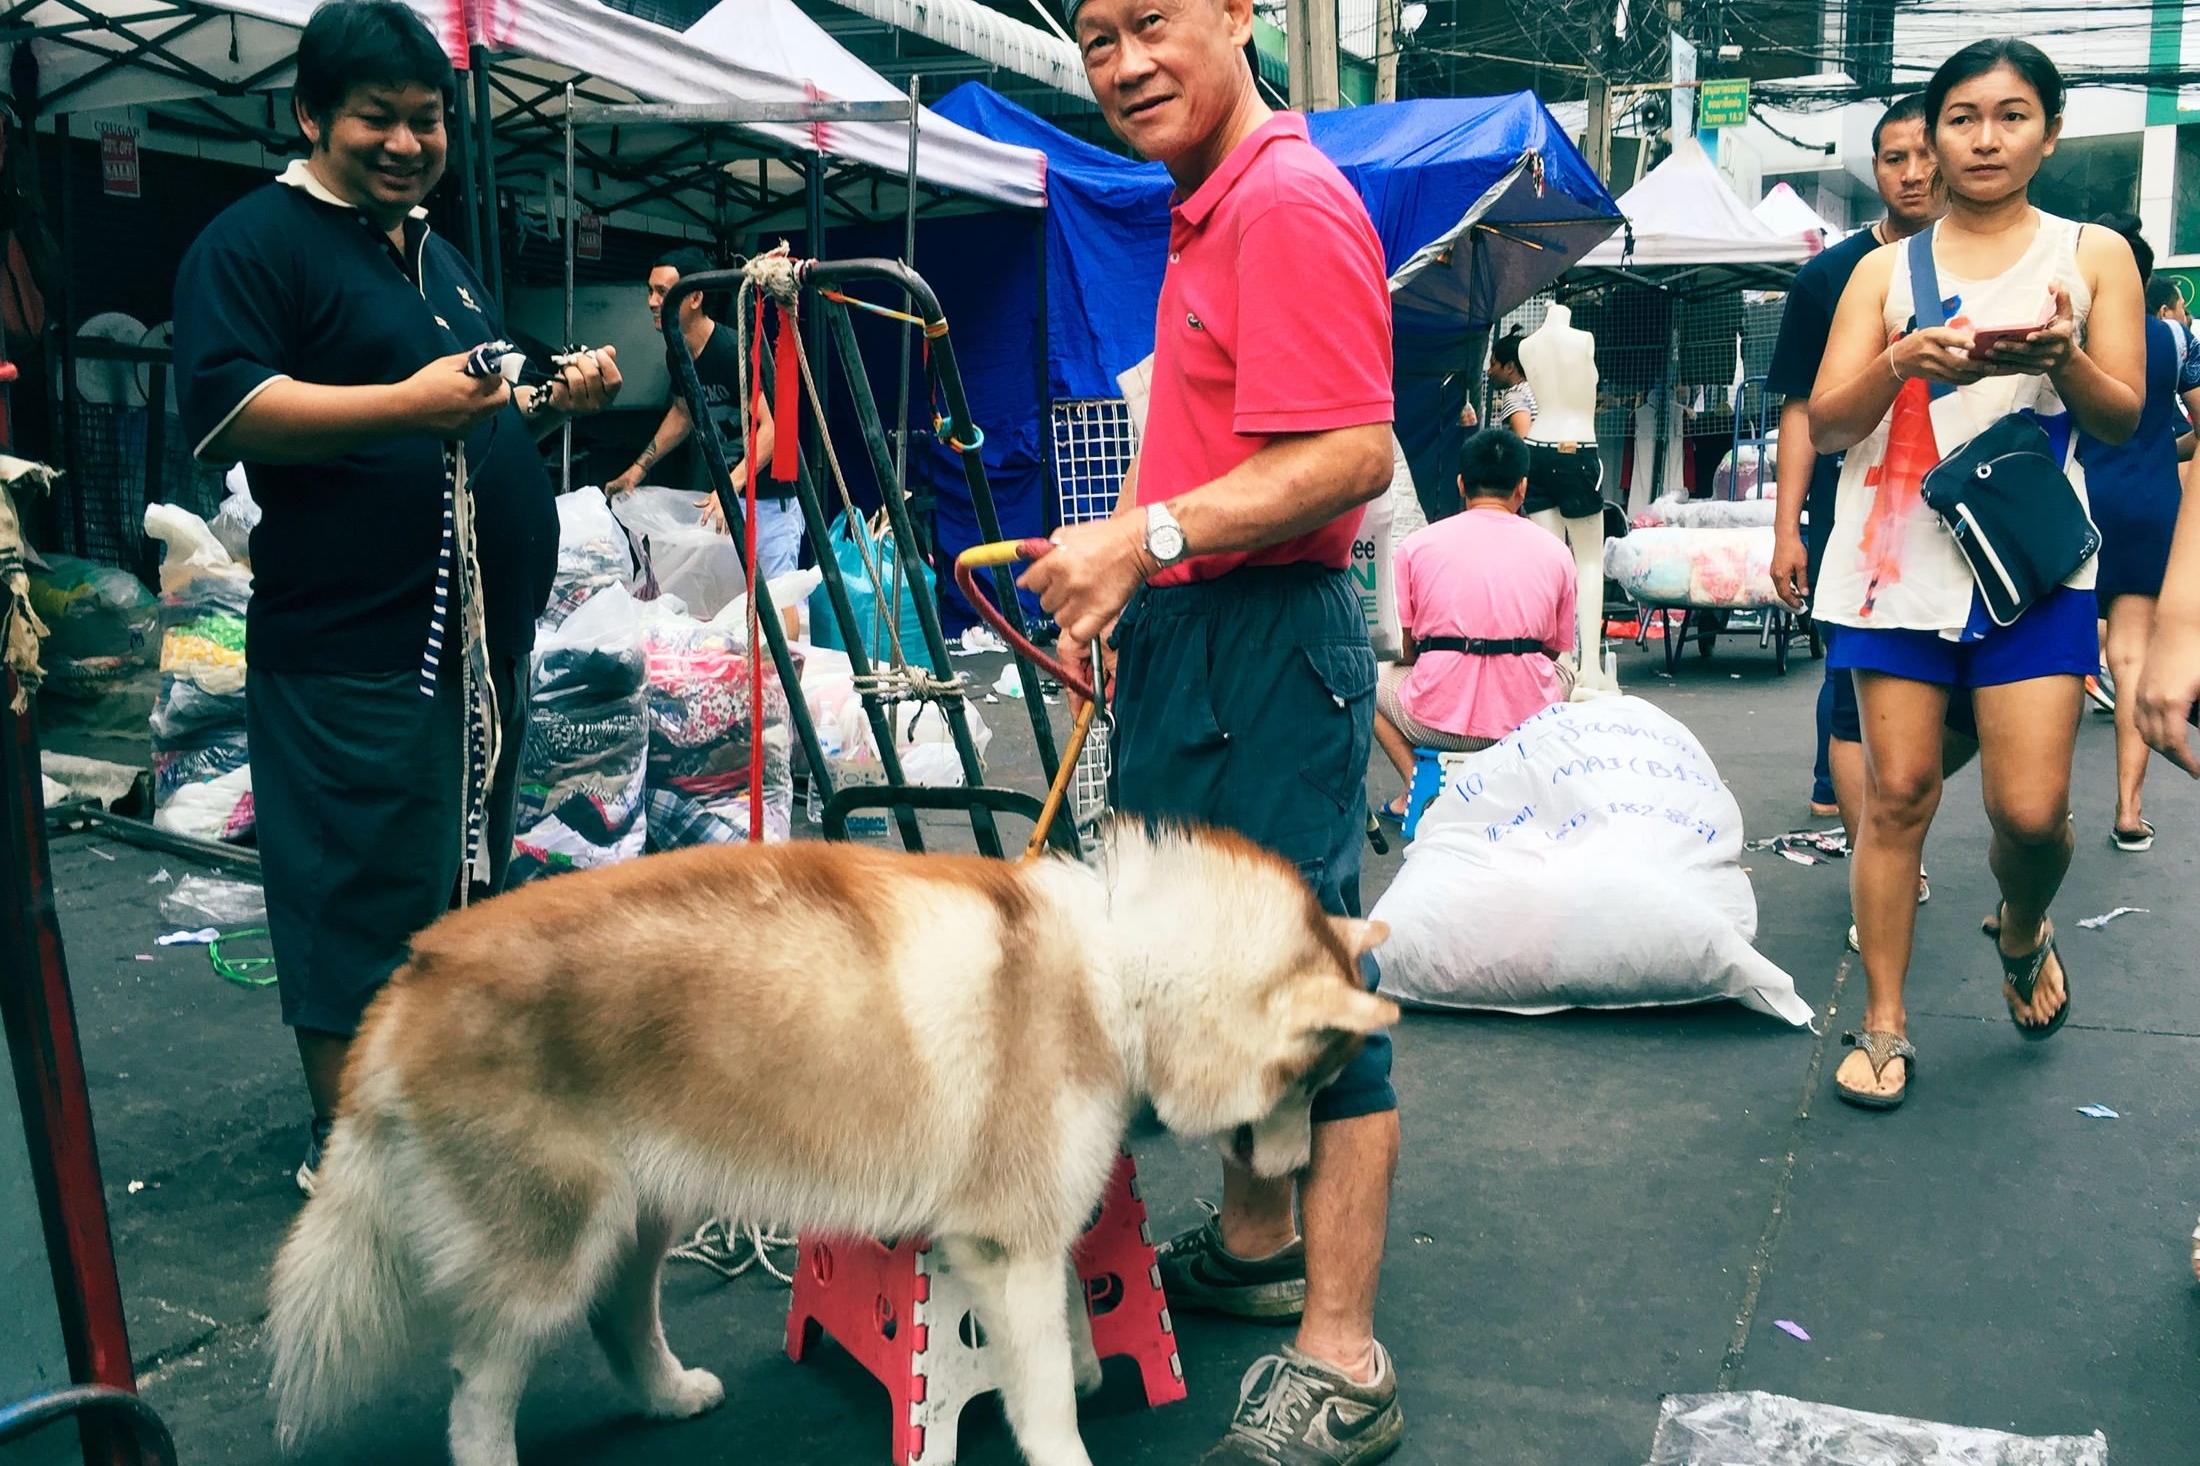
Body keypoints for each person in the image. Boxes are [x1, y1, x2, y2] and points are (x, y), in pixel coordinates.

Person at [1033, 0, 1402, 1458]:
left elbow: (1353, 451)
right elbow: (1235, 440)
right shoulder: (1207, 203)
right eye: (1095, 36)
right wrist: (1127, 570)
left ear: (1240, 13)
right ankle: (1255, 1247)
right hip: (1200, 632)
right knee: (1204, 971)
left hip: (1266, 644)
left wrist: (1152, 537)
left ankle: (1344, 1349)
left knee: (1307, 992)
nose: (1124, 64)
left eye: (1154, 22)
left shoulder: (1287, 201)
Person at [172, 0, 622, 1192]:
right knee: (350, 890)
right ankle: (356, 1163)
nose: (408, 142)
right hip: (352, 648)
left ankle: (430, 1115)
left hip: (475, 651)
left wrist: (545, 399)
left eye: (427, 120)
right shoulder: (254, 242)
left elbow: (466, 402)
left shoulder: (427, 251)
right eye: (379, 118)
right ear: (312, 113)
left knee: (451, 882)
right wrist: (403, 405)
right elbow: (229, 411)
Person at [1808, 38, 2144, 1109]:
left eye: (2008, 116)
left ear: (2048, 131)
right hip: (1892, 559)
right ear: (1930, 136)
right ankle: (1883, 1024)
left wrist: (2063, 358)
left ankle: (2025, 923)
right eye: (1961, 117)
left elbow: (2123, 413)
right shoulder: (1880, 272)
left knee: (2032, 813)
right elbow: (1824, 422)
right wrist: (1897, 360)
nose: (1983, 138)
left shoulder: (2090, 254)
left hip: (2034, 568)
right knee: (1895, 794)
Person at [1770, 95, 1939, 831]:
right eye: (1894, 158)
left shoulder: (2008, 264)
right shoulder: (1831, 276)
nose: (1912, 173)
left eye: (1925, 154)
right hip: (1860, 517)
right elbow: (1802, 410)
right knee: (1853, 692)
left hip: (1976, 518)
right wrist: (1786, 532)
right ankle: (1883, 855)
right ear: (1874, 168)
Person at [1372, 429, 1575, 819]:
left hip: (1433, 722)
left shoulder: (1417, 546)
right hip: (1524, 723)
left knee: (1366, 682)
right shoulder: (1556, 552)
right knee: (1562, 673)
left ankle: (1417, 786)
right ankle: (1521, 792)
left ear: (1461, 484)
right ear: (1522, 488)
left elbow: (1405, 646)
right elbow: (1554, 648)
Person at [2077, 220, 2192, 854]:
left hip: (2072, 506)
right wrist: (2155, 448)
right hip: (2149, 506)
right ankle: (2128, 810)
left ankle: (2045, 816)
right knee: (2131, 661)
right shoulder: (2172, 340)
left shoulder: (2060, 333)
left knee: (2062, 661)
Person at [603, 247, 798, 577]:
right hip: (730, 497)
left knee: (779, 599)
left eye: (663, 292)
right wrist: (639, 468)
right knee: (734, 598)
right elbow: (684, 412)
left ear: (694, 297)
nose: (652, 301)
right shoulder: (677, 353)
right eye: (650, 291)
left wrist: (728, 486)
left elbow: (772, 430)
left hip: (769, 502)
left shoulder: (728, 351)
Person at [1486, 330, 1536, 438]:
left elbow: (1522, 442)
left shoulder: (1516, 395)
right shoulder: (1536, 390)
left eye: (1493, 365)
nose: (1489, 371)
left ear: (1509, 367)